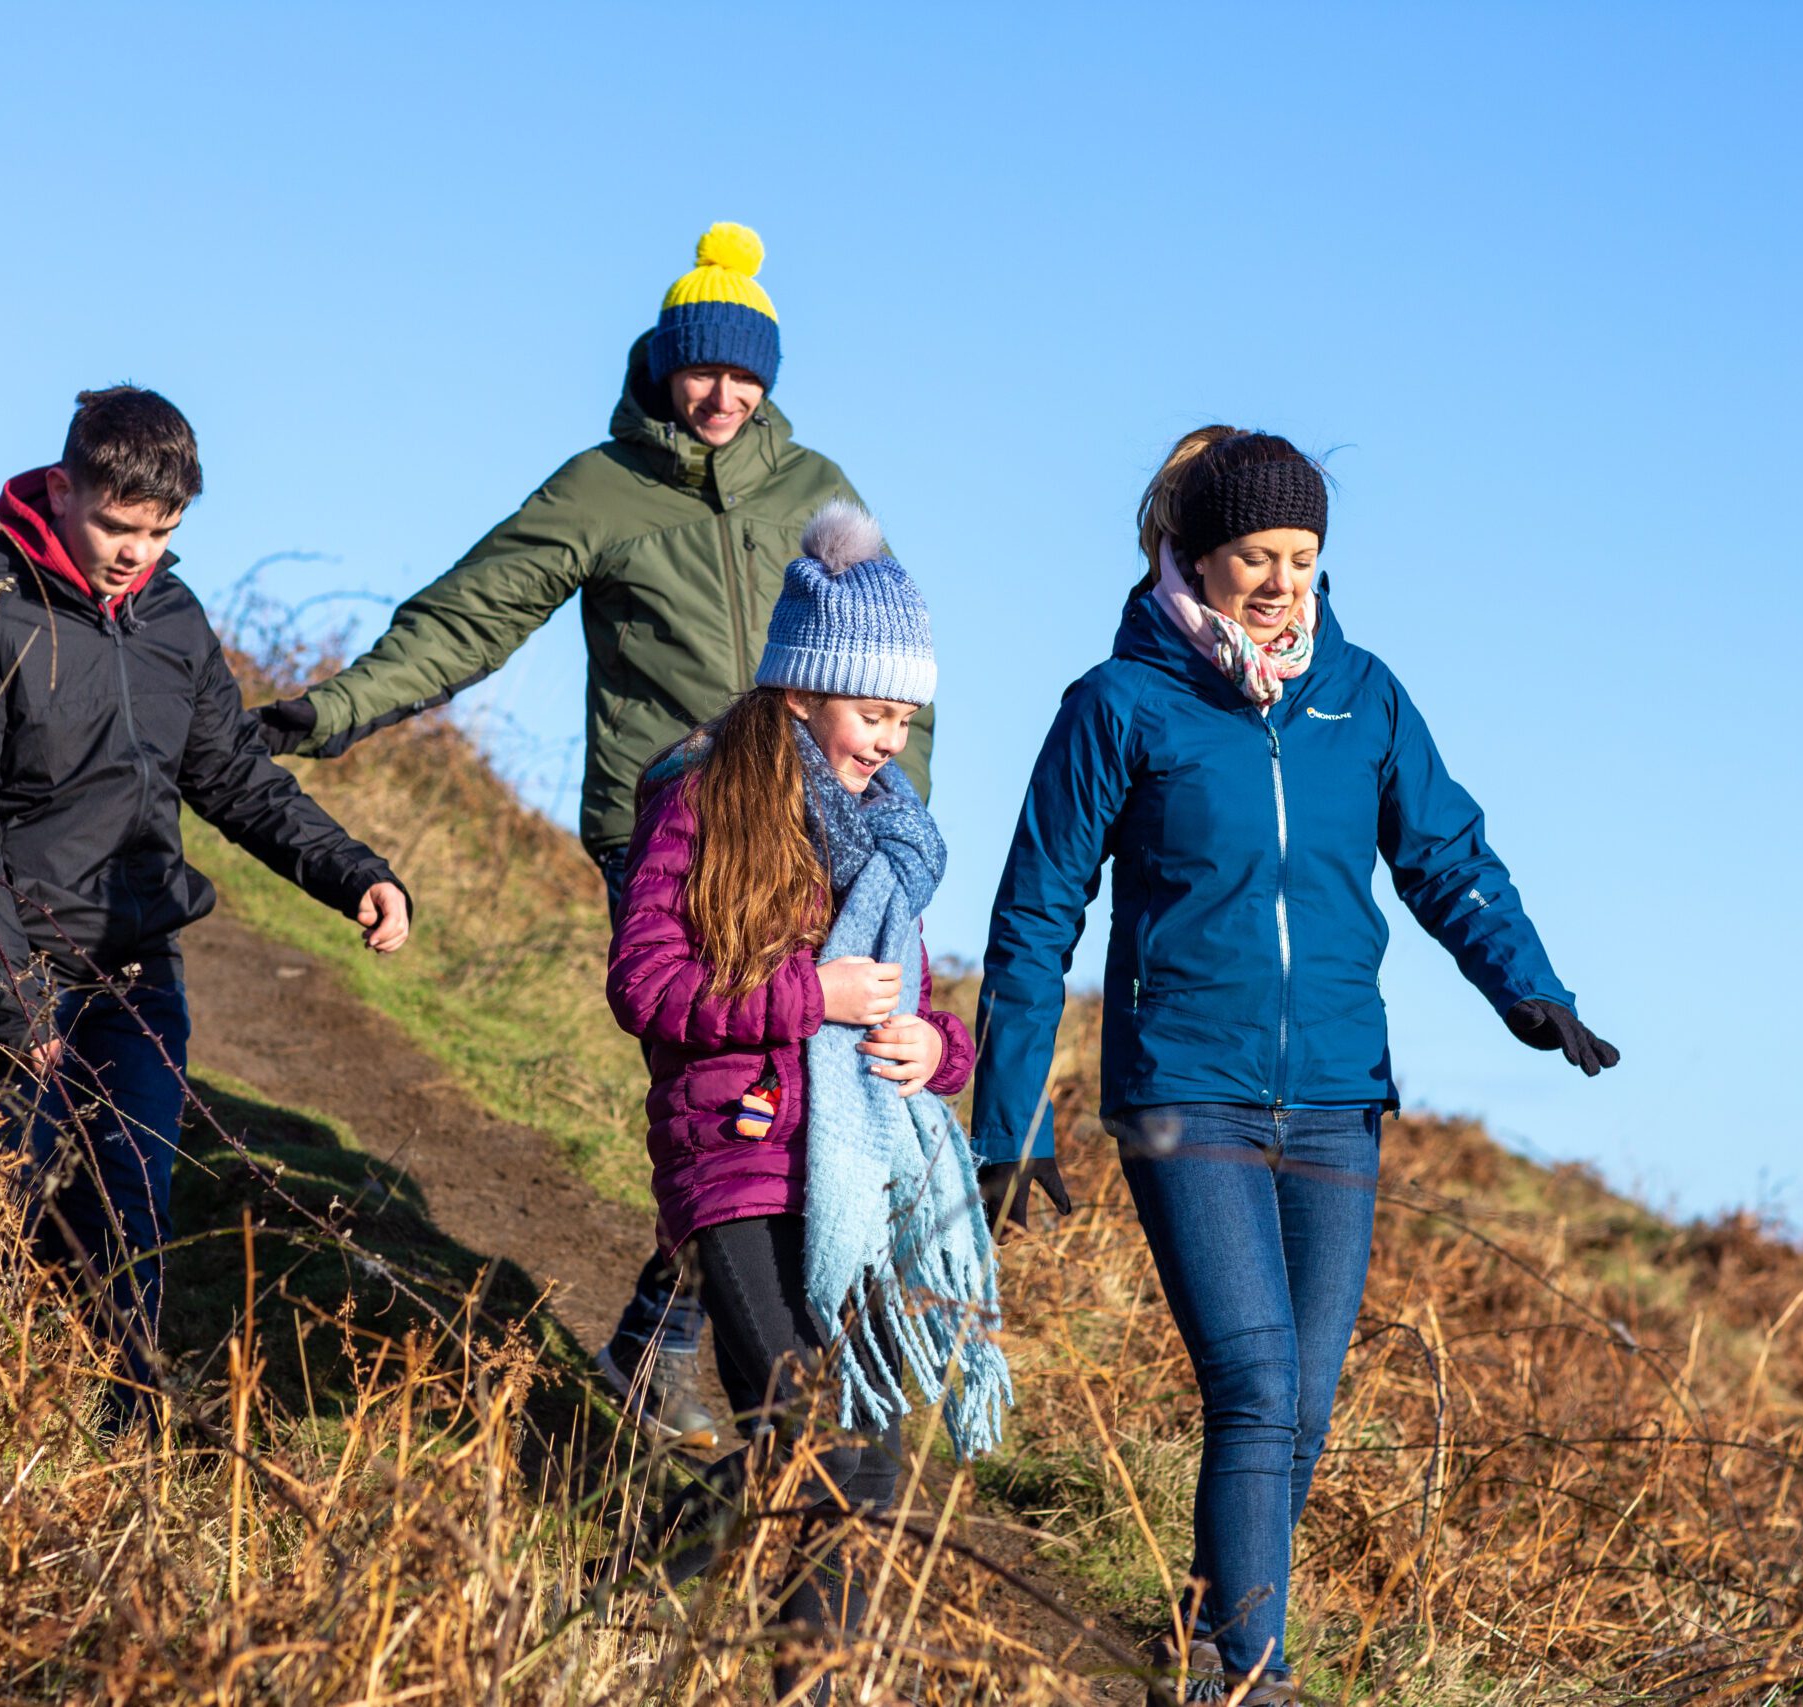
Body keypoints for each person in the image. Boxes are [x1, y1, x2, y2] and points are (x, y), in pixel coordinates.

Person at [255, 223, 933, 1448]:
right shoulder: (601, 490)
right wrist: (334, 710)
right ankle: (714, 1369)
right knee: (712, 1075)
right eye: (701, 373)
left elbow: (888, 661)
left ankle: (659, 1346)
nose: (722, 398)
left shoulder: (818, 489)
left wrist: (897, 828)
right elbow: (475, 613)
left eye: (746, 377)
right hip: (672, 819)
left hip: (824, 829)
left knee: (783, 1089)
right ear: (661, 367)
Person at [970, 429, 1619, 1703]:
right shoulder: (1121, 705)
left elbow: (1447, 857)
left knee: (1301, 1407)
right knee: (1255, 1384)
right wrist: (1010, 1114)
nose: (1280, 582)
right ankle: (1257, 1681)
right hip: (1182, 1090)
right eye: (1254, 556)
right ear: (1194, 556)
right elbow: (1036, 913)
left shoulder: (1360, 696)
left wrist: (1529, 990)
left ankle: (1210, 1632)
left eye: (1302, 557)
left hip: (1335, 1099)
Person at [0, 386, 413, 1431]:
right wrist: (14, 1006)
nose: (136, 552)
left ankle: (121, 1431)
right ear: (64, 487)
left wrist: (351, 870)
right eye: (117, 527)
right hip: (8, 974)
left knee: (132, 1206)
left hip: (138, 967)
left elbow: (232, 775)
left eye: (161, 532)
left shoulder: (172, 619)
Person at [605, 502, 1004, 1701]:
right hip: (730, 1167)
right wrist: (806, 997)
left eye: (904, 719)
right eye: (873, 712)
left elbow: (933, 1023)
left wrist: (925, 1050)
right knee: (818, 1441)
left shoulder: (890, 847)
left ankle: (723, 1612)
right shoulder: (702, 800)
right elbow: (646, 987)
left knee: (859, 1465)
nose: (890, 741)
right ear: (801, 691)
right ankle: (658, 1575)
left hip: (854, 1183)